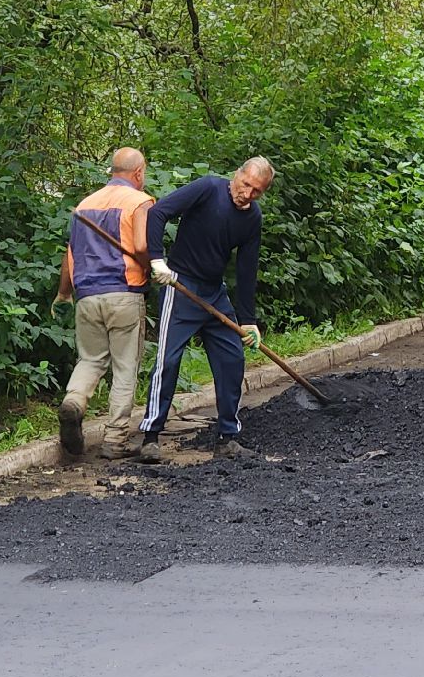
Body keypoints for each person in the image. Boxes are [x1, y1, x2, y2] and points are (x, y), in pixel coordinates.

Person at [135, 157, 273, 464]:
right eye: (245, 184)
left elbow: (247, 268)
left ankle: (227, 437)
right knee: (168, 360)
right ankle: (151, 436)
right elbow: (158, 213)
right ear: (236, 176)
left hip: (214, 293)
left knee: (232, 358)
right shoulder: (208, 188)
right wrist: (157, 260)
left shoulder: (252, 218)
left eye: (256, 191)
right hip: (181, 287)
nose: (247, 194)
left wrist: (249, 321)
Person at [53, 148, 154, 460]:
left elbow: (69, 256)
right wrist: (157, 267)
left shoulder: (84, 206)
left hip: (87, 296)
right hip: (124, 293)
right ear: (139, 172)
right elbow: (141, 246)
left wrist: (64, 293)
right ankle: (114, 441)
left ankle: (74, 400)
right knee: (125, 368)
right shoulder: (140, 202)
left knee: (90, 360)